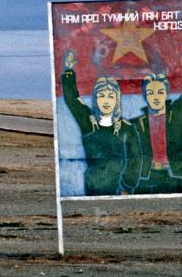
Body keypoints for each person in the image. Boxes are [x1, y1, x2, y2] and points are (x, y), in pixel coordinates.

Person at [59, 51, 142, 196]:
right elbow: (72, 100)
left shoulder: (126, 128)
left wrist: (127, 187)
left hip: (118, 187)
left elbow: (136, 158)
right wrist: (68, 71)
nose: (106, 101)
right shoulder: (88, 122)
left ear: (116, 100)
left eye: (111, 96)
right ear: (95, 99)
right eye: (101, 96)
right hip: (93, 185)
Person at [130, 43, 182, 195]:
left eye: (160, 92)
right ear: (145, 96)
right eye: (150, 93)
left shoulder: (176, 114)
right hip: (146, 177)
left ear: (166, 93)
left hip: (175, 175)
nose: (155, 97)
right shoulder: (137, 124)